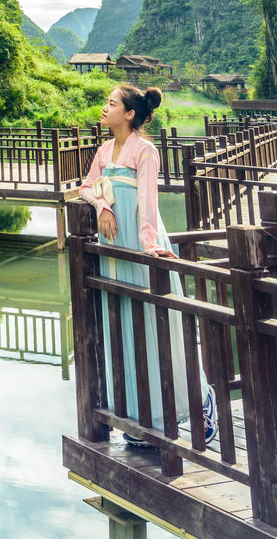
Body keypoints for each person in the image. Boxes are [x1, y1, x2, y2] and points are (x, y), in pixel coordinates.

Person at [77, 83, 214, 450]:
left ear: (130, 114)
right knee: (123, 327)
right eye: (106, 103)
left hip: (139, 245)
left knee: (156, 328)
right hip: (112, 249)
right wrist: (102, 207)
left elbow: (148, 201)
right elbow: (85, 187)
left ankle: (199, 400)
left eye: (111, 104)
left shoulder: (145, 150)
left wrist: (149, 246)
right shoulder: (105, 149)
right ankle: (140, 420)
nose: (104, 108)